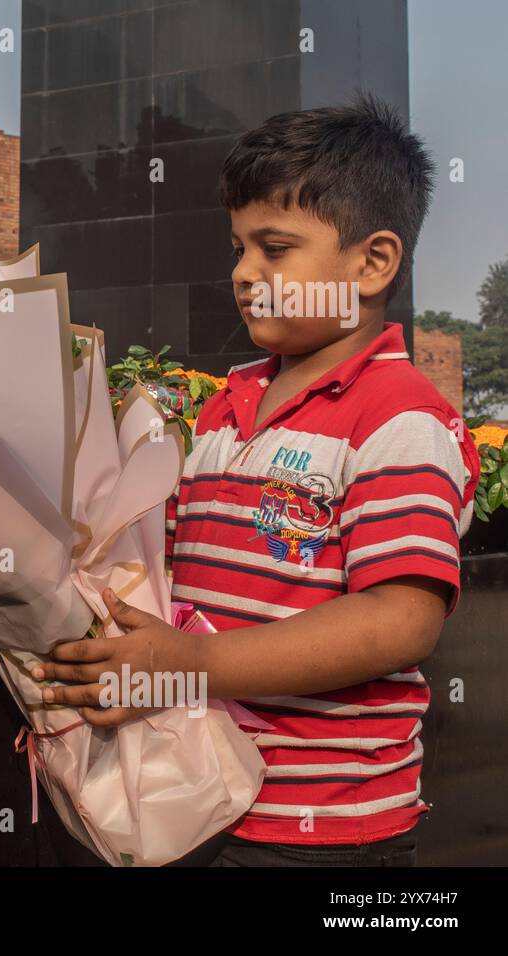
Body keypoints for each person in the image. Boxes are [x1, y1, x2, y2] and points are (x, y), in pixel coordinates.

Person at [32, 95, 481, 866]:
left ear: (372, 263)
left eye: (275, 248)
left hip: (323, 825)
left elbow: (400, 619)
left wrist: (191, 666)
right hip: (202, 793)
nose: (244, 274)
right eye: (238, 248)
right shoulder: (224, 409)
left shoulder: (397, 417)